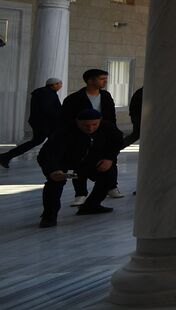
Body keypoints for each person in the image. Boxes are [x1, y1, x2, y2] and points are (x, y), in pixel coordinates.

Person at [35, 109, 124, 227]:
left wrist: (109, 158)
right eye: (86, 125)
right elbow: (48, 154)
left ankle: (92, 205)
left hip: (90, 161)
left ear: (100, 121)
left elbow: (117, 142)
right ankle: (49, 216)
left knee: (109, 175)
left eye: (94, 125)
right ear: (77, 122)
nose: (90, 128)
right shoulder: (63, 132)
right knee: (54, 183)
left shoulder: (107, 128)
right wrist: (52, 171)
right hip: (66, 162)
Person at [62, 69, 120, 199]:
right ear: (90, 80)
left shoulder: (106, 96)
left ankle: (111, 186)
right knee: (80, 161)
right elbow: (67, 119)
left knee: (109, 159)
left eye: (105, 78)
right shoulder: (74, 98)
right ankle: (80, 193)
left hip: (104, 133)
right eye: (101, 78)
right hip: (82, 134)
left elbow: (111, 115)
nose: (105, 81)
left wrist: (111, 130)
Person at [0, 77, 62, 169]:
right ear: (54, 84)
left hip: (41, 123)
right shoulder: (48, 94)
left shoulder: (43, 92)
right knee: (54, 141)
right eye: (60, 84)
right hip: (45, 123)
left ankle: (6, 157)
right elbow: (48, 110)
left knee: (41, 141)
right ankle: (53, 161)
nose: (61, 86)